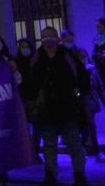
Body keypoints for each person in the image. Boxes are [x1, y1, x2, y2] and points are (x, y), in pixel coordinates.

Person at [30, 26, 89, 186]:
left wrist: (79, 94)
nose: (48, 39)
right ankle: (51, 176)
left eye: (51, 36)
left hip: (67, 108)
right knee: (49, 146)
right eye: (44, 37)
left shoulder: (67, 56)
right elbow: (31, 82)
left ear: (57, 38)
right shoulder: (37, 58)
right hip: (47, 110)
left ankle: (79, 175)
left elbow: (82, 76)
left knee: (74, 145)